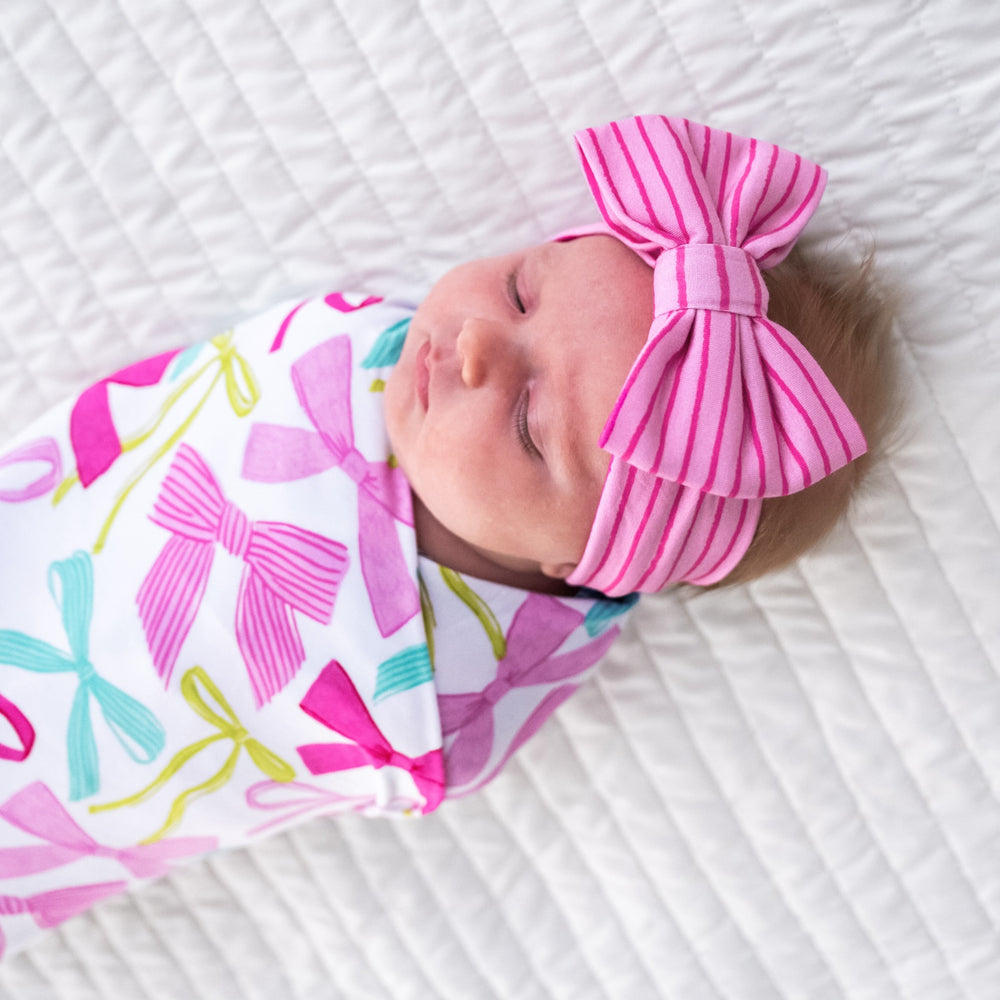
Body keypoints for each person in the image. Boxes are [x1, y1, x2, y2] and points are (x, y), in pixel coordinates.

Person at [0, 115, 894, 957]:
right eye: (521, 290)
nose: (474, 345)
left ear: (579, 563)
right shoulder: (354, 350)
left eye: (530, 425)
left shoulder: (440, 710)